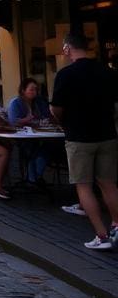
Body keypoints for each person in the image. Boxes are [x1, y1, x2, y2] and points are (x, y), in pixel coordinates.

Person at [50, 33, 118, 250]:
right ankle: (117, 224)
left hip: (79, 136)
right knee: (108, 184)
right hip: (107, 135)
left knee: (84, 186)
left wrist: (64, 123)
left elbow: (56, 108)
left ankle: (102, 235)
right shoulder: (106, 71)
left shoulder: (66, 75)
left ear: (69, 49)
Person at [7, 77, 54, 185]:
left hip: (41, 134)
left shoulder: (39, 102)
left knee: (50, 146)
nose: (35, 92)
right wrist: (27, 120)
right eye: (31, 89)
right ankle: (34, 178)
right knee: (31, 148)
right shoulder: (16, 103)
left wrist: (46, 120)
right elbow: (13, 121)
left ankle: (34, 177)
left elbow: (48, 116)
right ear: (23, 90)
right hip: (23, 137)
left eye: (36, 90)